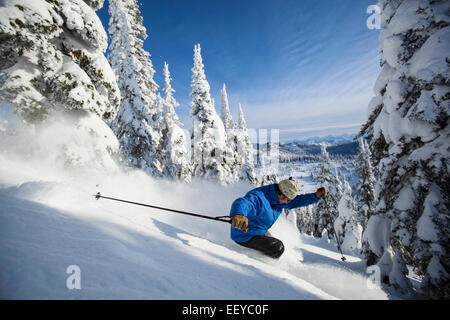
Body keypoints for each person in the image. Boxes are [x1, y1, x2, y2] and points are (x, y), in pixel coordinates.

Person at [230, 177, 328, 259]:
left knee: (271, 240)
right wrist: (238, 214)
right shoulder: (259, 197)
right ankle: (263, 266)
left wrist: (315, 196)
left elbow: (297, 201)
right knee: (278, 247)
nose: (286, 202)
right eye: (285, 199)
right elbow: (243, 202)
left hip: (258, 231)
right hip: (244, 235)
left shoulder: (279, 200)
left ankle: (264, 259)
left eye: (288, 200)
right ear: (279, 192)